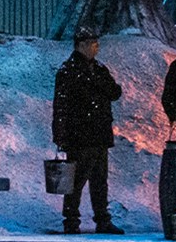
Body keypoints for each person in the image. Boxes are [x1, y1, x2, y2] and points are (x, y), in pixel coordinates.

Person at [51, 26, 125, 236]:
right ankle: (71, 220)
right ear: (82, 45)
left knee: (99, 180)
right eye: (93, 43)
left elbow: (114, 92)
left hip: (99, 133)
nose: (97, 47)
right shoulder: (68, 71)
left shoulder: (99, 69)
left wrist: (102, 84)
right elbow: (61, 106)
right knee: (77, 180)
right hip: (80, 134)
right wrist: (61, 134)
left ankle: (102, 219)